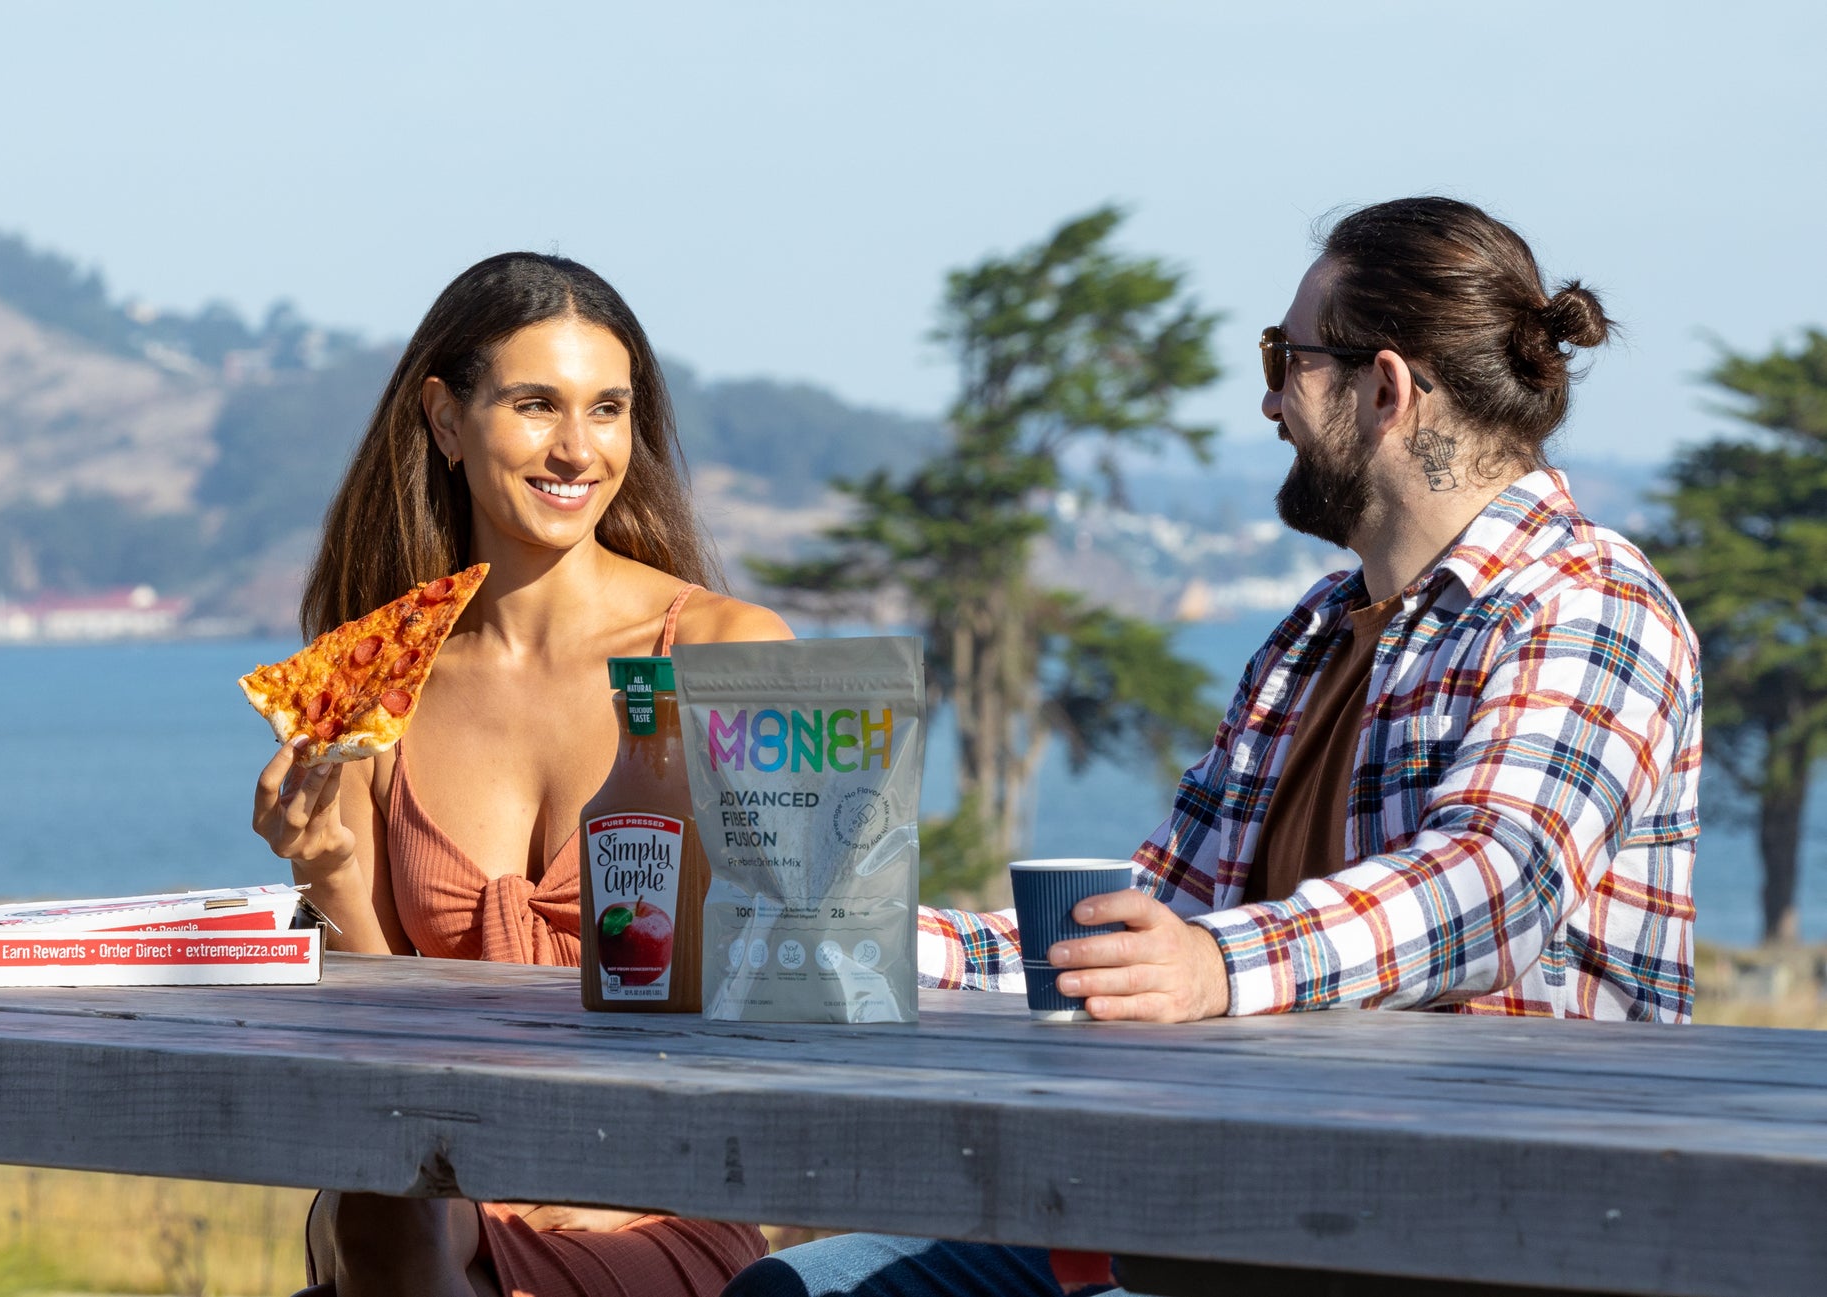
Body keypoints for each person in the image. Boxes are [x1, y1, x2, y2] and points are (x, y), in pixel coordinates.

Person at [725, 197, 1703, 1296]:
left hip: (1466, 1235)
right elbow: (1140, 923)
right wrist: (861, 948)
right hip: (1231, 1214)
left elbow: (1492, 884)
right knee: (792, 1289)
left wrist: (1213, 968)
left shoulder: (1587, 603)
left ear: (1383, 388)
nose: (1267, 398)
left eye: (1286, 359)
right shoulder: (1310, 635)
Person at [252, 251, 790, 1297]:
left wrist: (624, 1157)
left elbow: (790, 981)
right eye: (536, 405)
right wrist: (322, 875)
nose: (576, 449)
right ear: (446, 420)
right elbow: (375, 1036)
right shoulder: (370, 666)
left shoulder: (731, 650)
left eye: (607, 409)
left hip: (655, 1182)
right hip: (432, 1177)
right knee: (382, 1209)